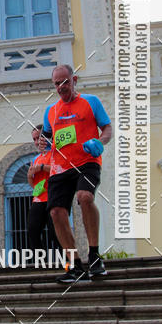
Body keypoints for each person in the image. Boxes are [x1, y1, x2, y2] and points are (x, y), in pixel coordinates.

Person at [42, 65, 112, 284]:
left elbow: (107, 129)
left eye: (65, 82)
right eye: (57, 84)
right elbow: (47, 139)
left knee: (85, 197)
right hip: (60, 168)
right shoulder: (51, 111)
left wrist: (99, 142)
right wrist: (44, 153)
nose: (61, 87)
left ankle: (94, 256)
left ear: (74, 80)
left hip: (87, 162)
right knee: (56, 213)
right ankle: (73, 265)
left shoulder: (90, 102)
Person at [26, 124, 59, 259]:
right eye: (34, 139)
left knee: (55, 232)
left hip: (54, 197)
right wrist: (29, 176)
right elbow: (33, 184)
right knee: (33, 229)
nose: (36, 142)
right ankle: (40, 260)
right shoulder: (36, 158)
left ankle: (64, 260)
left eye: (38, 138)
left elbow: (59, 169)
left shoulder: (55, 153)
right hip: (38, 198)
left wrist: (41, 167)